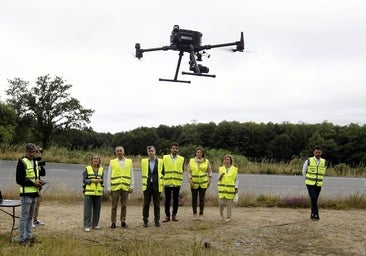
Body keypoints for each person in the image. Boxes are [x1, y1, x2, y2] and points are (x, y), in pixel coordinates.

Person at [16, 143, 43, 246]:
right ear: (26, 151)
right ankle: (22, 239)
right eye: (30, 151)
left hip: (34, 193)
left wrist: (39, 182)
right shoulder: (22, 162)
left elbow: (37, 175)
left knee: (30, 217)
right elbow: (19, 180)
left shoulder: (35, 162)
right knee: (24, 216)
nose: (32, 153)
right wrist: (33, 183)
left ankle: (29, 237)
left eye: (34, 151)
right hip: (26, 194)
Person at [106, 146, 134, 228]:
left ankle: (123, 221)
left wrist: (131, 186)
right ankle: (113, 222)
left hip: (125, 187)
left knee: (124, 206)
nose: (119, 152)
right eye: (117, 151)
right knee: (114, 206)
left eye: (120, 151)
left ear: (123, 151)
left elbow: (131, 174)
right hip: (115, 187)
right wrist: (109, 187)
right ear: (116, 152)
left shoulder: (129, 162)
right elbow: (109, 175)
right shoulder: (112, 162)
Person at [141, 146, 164, 227]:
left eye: (152, 151)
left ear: (155, 152)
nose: (151, 152)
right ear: (148, 152)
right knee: (146, 204)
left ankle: (157, 220)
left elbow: (163, 172)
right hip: (147, 186)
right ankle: (145, 220)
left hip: (157, 185)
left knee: (157, 204)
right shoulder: (143, 161)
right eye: (149, 151)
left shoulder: (161, 161)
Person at [187, 147, 212, 220]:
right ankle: (194, 214)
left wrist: (209, 180)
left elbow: (209, 171)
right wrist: (190, 181)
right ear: (195, 153)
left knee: (202, 199)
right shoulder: (191, 161)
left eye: (200, 152)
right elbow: (189, 172)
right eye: (197, 152)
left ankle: (201, 214)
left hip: (203, 183)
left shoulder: (206, 161)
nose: (199, 153)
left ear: (202, 153)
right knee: (194, 199)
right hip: (194, 183)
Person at [302, 145, 326, 220]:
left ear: (321, 152)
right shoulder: (309, 160)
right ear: (314, 152)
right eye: (316, 152)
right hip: (310, 183)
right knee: (313, 197)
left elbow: (323, 171)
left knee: (314, 200)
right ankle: (317, 215)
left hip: (318, 183)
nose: (317, 154)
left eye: (319, 152)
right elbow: (303, 171)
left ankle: (312, 214)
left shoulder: (323, 161)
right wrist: (306, 179)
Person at [162, 142, 185, 222]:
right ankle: (167, 215)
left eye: (176, 148)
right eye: (173, 148)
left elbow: (182, 170)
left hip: (176, 182)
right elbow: (162, 170)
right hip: (167, 182)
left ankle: (174, 215)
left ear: (178, 149)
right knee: (167, 200)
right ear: (170, 149)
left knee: (176, 200)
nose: (174, 150)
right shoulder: (165, 158)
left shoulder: (182, 159)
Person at [83, 154, 104, 232]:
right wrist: (91, 181)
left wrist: (100, 181)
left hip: (98, 193)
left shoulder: (101, 169)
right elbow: (84, 180)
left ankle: (95, 225)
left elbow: (102, 180)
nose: (96, 160)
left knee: (97, 210)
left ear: (99, 160)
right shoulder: (87, 169)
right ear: (92, 160)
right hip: (89, 192)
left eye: (97, 159)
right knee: (87, 210)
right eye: (94, 158)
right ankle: (87, 225)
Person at [218, 154, 238, 222]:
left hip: (230, 189)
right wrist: (221, 176)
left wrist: (236, 188)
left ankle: (228, 216)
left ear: (230, 161)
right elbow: (218, 179)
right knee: (221, 203)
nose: (226, 161)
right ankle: (221, 215)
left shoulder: (234, 169)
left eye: (228, 159)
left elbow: (236, 179)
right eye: (225, 159)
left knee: (229, 204)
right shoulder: (221, 168)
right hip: (222, 189)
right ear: (224, 160)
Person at [33, 151, 46, 227]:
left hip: (38, 188)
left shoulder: (37, 165)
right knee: (32, 206)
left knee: (37, 205)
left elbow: (43, 174)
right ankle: (30, 221)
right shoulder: (30, 164)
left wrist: (40, 165)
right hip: (31, 189)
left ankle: (35, 219)